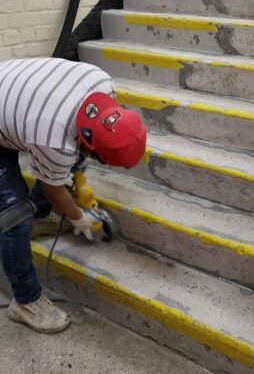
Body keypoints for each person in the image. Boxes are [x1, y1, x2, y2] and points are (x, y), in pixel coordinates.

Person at [0, 57, 146, 334]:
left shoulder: (103, 85)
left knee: (56, 168)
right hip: (11, 109)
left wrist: (79, 180)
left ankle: (40, 219)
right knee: (13, 213)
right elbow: (52, 188)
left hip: (12, 93)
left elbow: (80, 144)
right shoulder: (53, 138)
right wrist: (79, 218)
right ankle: (25, 300)